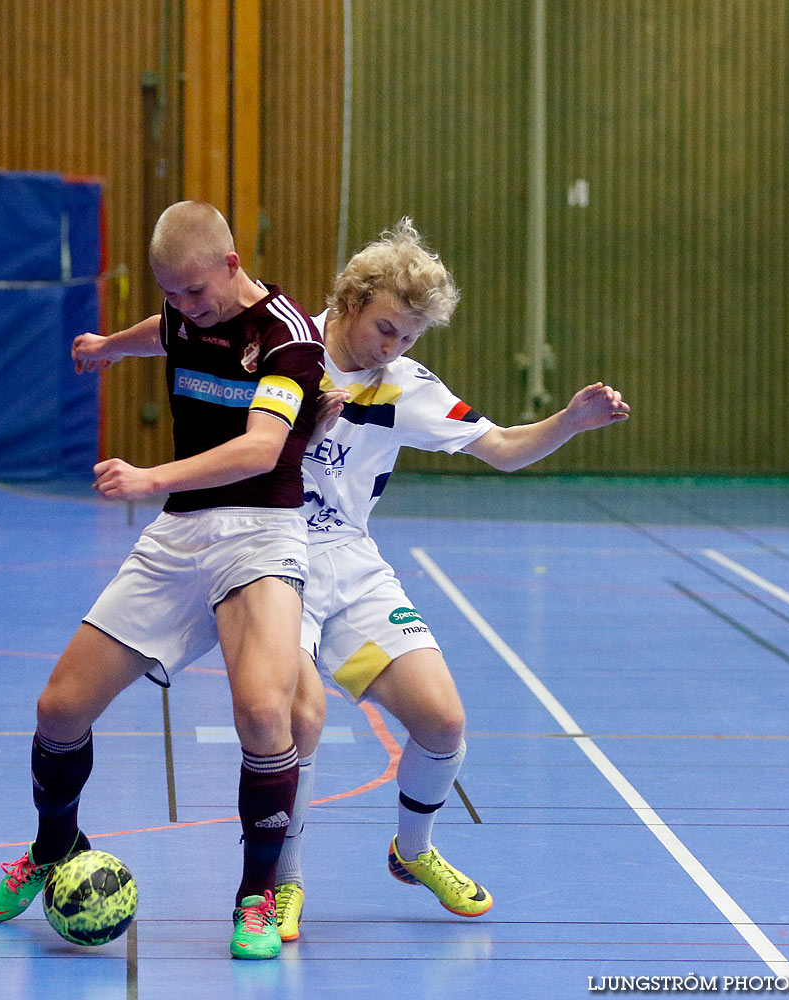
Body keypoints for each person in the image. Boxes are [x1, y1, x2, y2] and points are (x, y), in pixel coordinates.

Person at [0, 201, 326, 960]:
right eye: (170, 293)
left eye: (195, 293)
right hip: (179, 538)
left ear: (233, 266)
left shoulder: (288, 339)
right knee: (60, 707)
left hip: (260, 533)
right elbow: (162, 334)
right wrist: (110, 345)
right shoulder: (180, 312)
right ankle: (53, 846)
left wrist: (149, 478)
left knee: (265, 713)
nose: (183, 308)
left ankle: (256, 898)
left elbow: (263, 449)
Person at [269, 218, 630, 941]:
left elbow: (499, 448)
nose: (393, 348)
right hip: (273, 557)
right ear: (349, 300)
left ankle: (415, 850)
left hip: (350, 562)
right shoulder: (286, 349)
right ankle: (283, 883)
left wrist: (567, 420)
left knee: (442, 722)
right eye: (385, 329)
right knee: (296, 723)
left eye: (408, 337)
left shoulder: (403, 383)